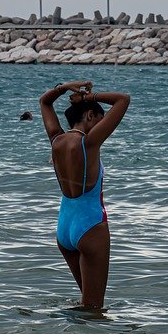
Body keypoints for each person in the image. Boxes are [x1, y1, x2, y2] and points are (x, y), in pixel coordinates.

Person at [40, 81, 130, 310]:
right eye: (99, 119)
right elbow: (123, 99)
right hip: (90, 225)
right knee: (94, 310)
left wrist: (67, 87)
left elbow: (44, 101)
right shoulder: (89, 143)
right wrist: (92, 96)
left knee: (86, 305)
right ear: (90, 115)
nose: (102, 125)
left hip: (65, 227)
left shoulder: (56, 140)